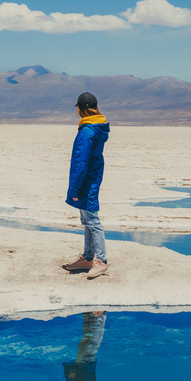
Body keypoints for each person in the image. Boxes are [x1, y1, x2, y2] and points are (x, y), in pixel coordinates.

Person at [63, 92, 110, 278]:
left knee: (92, 219)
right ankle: (88, 257)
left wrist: (74, 188)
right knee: (87, 219)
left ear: (81, 109)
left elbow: (79, 162)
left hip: (86, 179)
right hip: (92, 175)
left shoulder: (87, 131)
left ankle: (101, 261)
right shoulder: (97, 127)